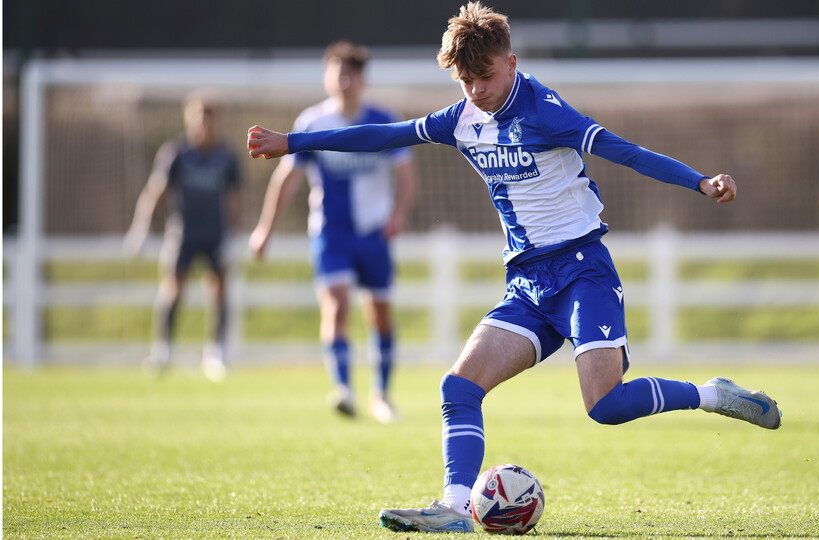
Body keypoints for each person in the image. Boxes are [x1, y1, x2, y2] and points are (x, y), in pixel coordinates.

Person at [247, 3, 782, 533]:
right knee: (458, 387)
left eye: (484, 77)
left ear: (511, 62)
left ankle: (712, 393)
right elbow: (384, 135)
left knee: (607, 405)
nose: (475, 91)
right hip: (527, 284)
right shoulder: (461, 118)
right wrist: (292, 143)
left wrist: (701, 181)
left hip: (581, 271)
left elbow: (627, 152)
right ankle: (455, 510)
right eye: (465, 81)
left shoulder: (545, 111)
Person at [248, 41, 416, 423]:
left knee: (380, 315)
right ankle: (343, 388)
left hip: (374, 232)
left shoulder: (383, 118)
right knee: (337, 306)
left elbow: (406, 175)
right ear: (327, 77)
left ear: (362, 79)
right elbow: (287, 179)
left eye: (350, 73)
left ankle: (382, 395)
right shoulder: (312, 122)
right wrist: (265, 229)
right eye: (336, 73)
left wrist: (399, 214)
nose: (343, 81)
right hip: (331, 233)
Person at [125, 89, 243, 382]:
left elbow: (237, 199)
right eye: (199, 114)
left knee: (219, 291)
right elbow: (155, 192)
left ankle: (215, 354)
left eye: (210, 115)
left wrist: (234, 235)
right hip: (183, 233)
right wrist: (140, 229)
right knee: (173, 288)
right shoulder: (176, 152)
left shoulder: (226, 156)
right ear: (188, 117)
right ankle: (163, 351)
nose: (205, 121)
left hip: (215, 234)